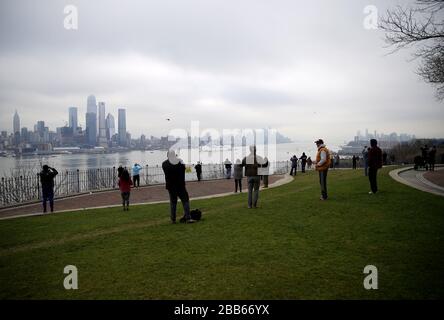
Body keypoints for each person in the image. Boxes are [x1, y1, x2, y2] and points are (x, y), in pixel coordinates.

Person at [162, 150, 195, 224]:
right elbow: (189, 170)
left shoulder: (164, 164)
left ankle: (173, 220)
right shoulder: (180, 163)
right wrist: (182, 162)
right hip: (180, 186)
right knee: (185, 201)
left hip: (171, 187)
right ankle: (188, 218)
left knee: (173, 203)